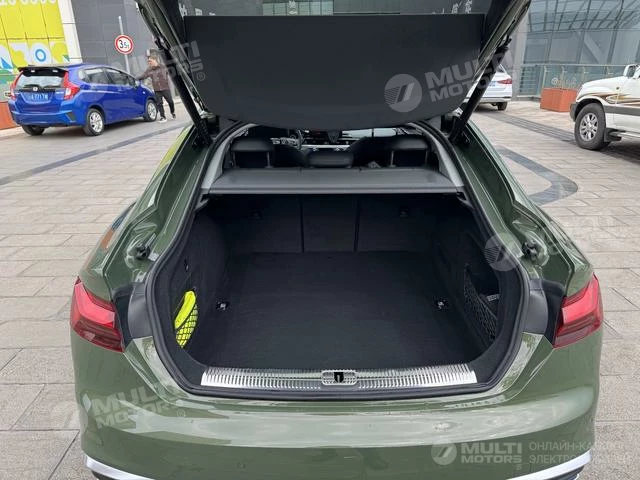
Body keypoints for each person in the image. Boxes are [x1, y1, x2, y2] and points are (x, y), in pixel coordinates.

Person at [137, 56, 175, 123]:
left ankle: (172, 112)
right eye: (148, 61)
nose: (149, 62)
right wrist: (136, 78)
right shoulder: (149, 69)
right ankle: (163, 117)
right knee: (159, 103)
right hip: (157, 89)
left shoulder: (163, 67)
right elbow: (143, 76)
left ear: (155, 60)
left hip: (165, 88)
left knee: (170, 102)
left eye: (150, 61)